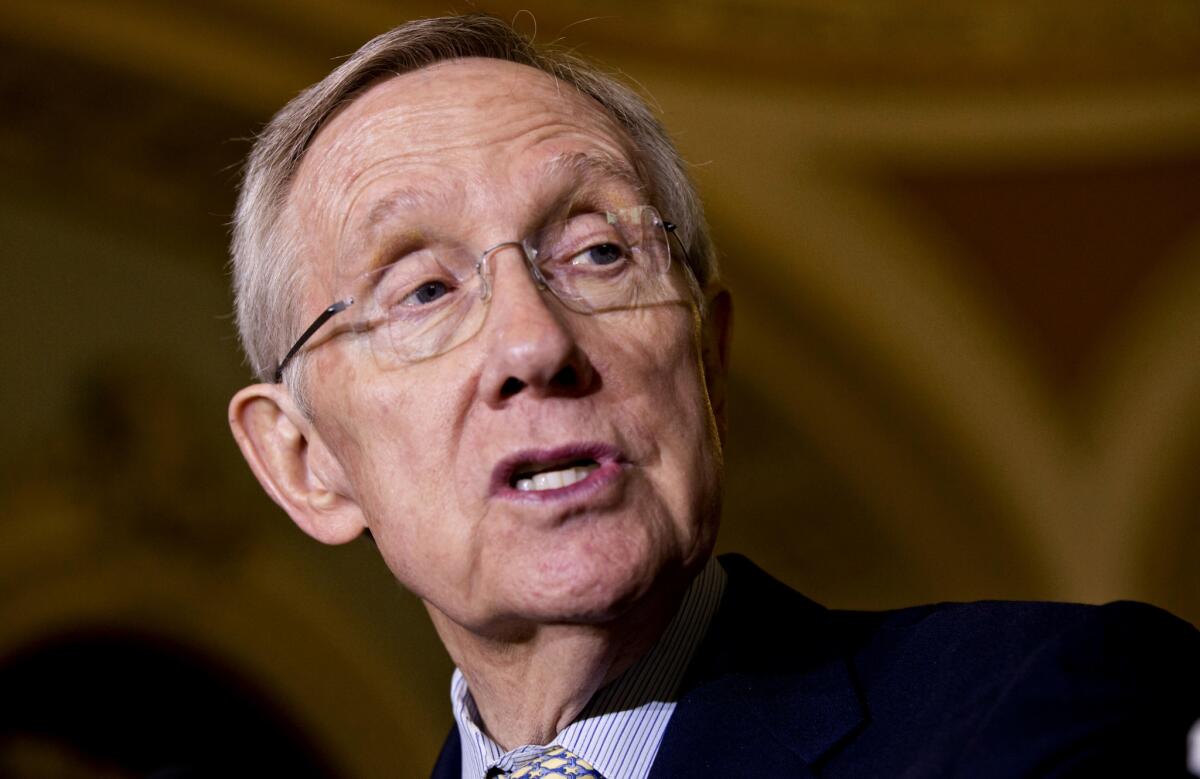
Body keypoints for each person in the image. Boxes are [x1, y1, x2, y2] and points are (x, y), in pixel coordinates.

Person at [226, 13, 1200, 778]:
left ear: (708, 358)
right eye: (425, 289)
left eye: (600, 252)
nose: (534, 341)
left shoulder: (1046, 710)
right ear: (305, 462)